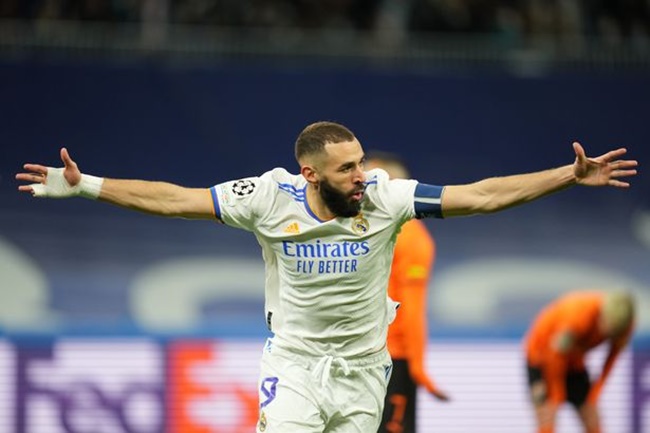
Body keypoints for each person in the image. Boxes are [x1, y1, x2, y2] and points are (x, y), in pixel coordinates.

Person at [16, 121, 637, 432]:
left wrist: (567, 175)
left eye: (361, 162)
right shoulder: (268, 197)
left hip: (365, 372)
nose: (361, 176)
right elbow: (176, 200)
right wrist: (87, 186)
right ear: (310, 175)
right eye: (346, 169)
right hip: (295, 368)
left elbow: (482, 196)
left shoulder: (387, 198)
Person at [364, 152, 449, 433]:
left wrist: (416, 365)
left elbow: (411, 306)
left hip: (391, 357)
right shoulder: (367, 229)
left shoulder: (409, 237)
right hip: (366, 352)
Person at [524, 290, 636, 433]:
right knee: (547, 412)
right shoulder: (579, 315)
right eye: (608, 326)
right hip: (540, 356)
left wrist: (594, 395)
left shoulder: (625, 326)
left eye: (614, 330)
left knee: (590, 412)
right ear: (602, 316)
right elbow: (555, 356)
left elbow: (611, 359)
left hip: (573, 361)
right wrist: (556, 394)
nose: (608, 332)